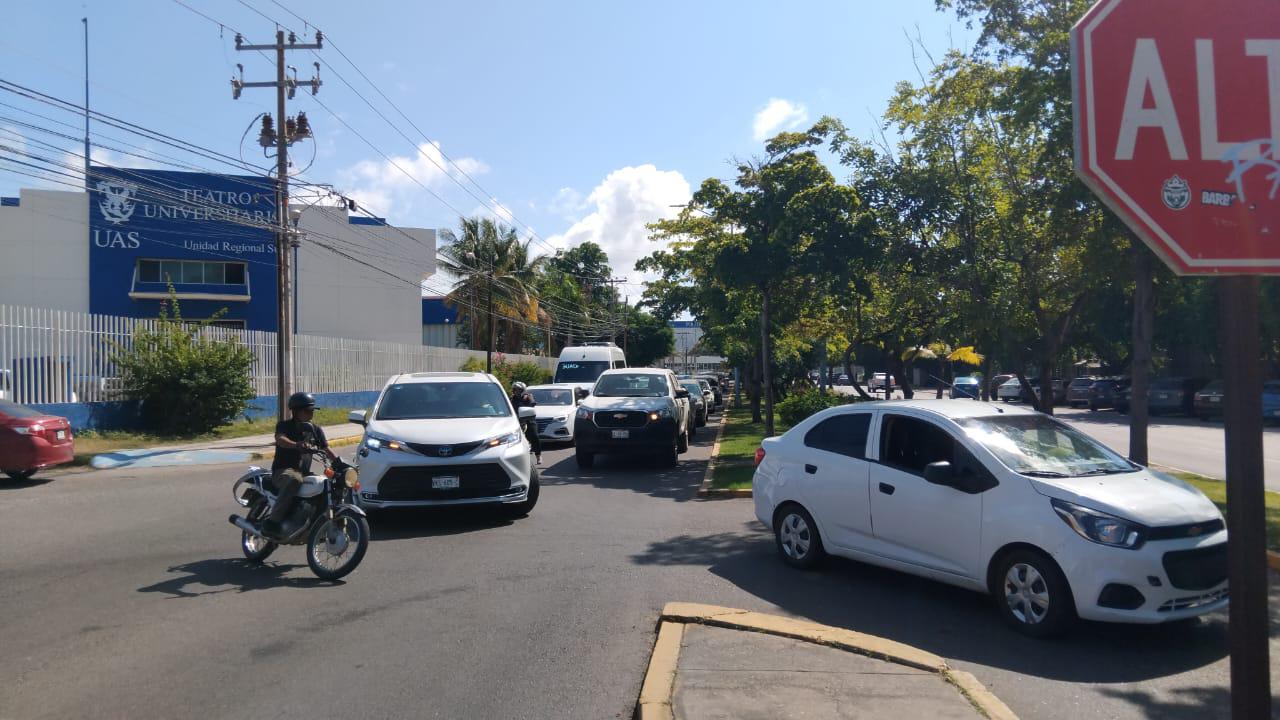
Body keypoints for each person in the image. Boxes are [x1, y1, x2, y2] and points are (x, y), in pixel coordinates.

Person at [262, 391, 336, 537]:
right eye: (307, 411)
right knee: (295, 479)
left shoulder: (315, 429)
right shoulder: (284, 426)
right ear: (295, 411)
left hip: (304, 473)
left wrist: (340, 463)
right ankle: (272, 522)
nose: (311, 414)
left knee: (324, 485)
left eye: (312, 410)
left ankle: (314, 523)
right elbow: (280, 439)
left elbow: (326, 449)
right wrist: (296, 444)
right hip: (283, 471)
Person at [509, 381, 541, 465]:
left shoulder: (528, 396)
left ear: (523, 390)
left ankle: (538, 455)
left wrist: (528, 398)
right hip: (517, 420)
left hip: (529, 419)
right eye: (515, 390)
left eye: (519, 390)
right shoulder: (512, 399)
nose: (516, 391)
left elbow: (533, 403)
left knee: (534, 435)